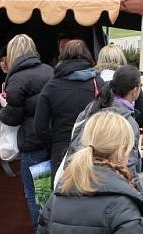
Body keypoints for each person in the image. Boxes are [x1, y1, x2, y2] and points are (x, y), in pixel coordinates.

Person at [0, 34, 53, 232]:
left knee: (34, 194)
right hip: (51, 141)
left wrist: (3, 106)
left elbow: (12, 116)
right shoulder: (49, 71)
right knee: (46, 193)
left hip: (31, 142)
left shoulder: (17, 78)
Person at [34, 40, 104, 179]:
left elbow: (39, 127)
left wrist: (53, 143)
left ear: (63, 58)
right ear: (88, 57)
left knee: (62, 196)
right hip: (93, 151)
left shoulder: (51, 87)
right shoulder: (98, 83)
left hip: (61, 151)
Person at [66, 65, 143, 181]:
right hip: (110, 182)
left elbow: (75, 136)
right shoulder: (128, 123)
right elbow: (129, 167)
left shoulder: (95, 105)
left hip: (82, 175)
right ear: (135, 91)